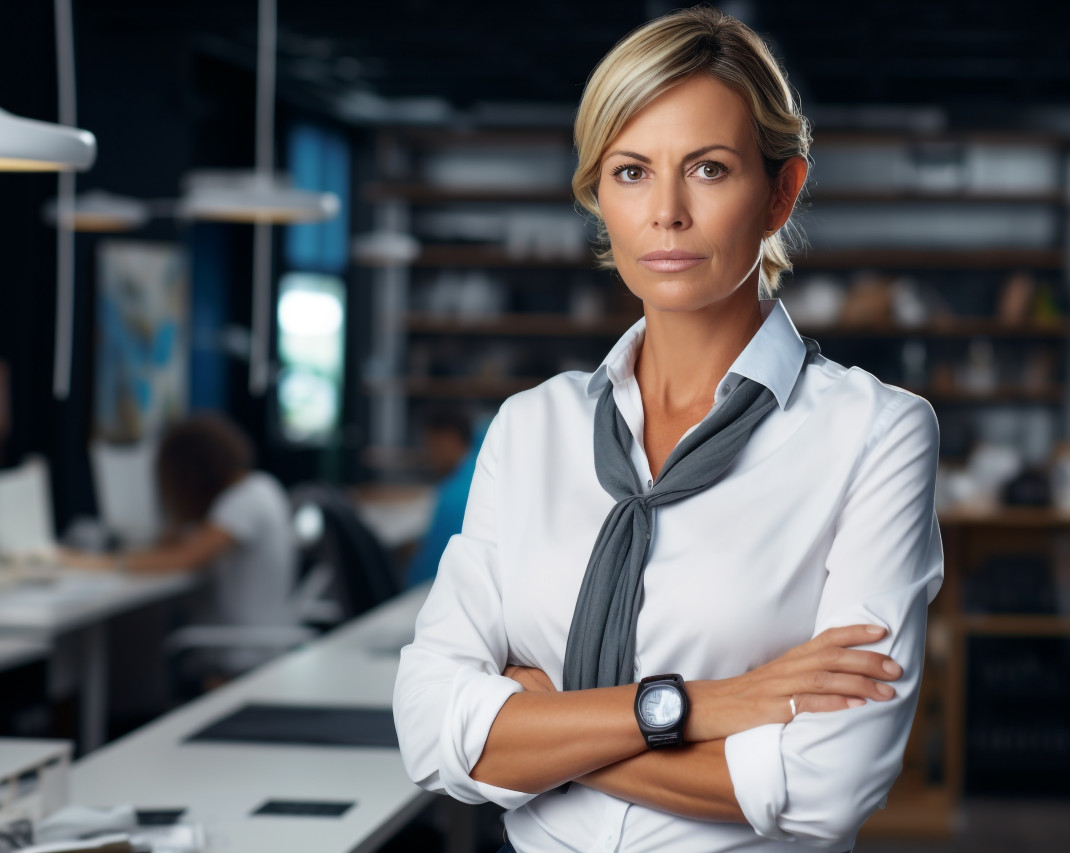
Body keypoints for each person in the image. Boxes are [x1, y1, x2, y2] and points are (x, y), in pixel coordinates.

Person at [393, 8, 944, 852]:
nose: (667, 213)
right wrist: (701, 705)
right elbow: (430, 728)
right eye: (631, 171)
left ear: (779, 193)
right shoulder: (529, 430)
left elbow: (827, 785)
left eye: (710, 169)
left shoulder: (876, 435)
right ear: (597, 197)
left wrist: (542, 725)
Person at [65, 412, 296, 675]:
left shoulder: (242, 502)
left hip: (240, 656)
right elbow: (176, 541)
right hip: (254, 643)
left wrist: (98, 563)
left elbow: (184, 558)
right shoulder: (261, 486)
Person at [405, 409, 484, 587]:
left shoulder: (453, 494)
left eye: (430, 444)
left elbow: (427, 573)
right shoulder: (482, 473)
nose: (427, 454)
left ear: (448, 440)